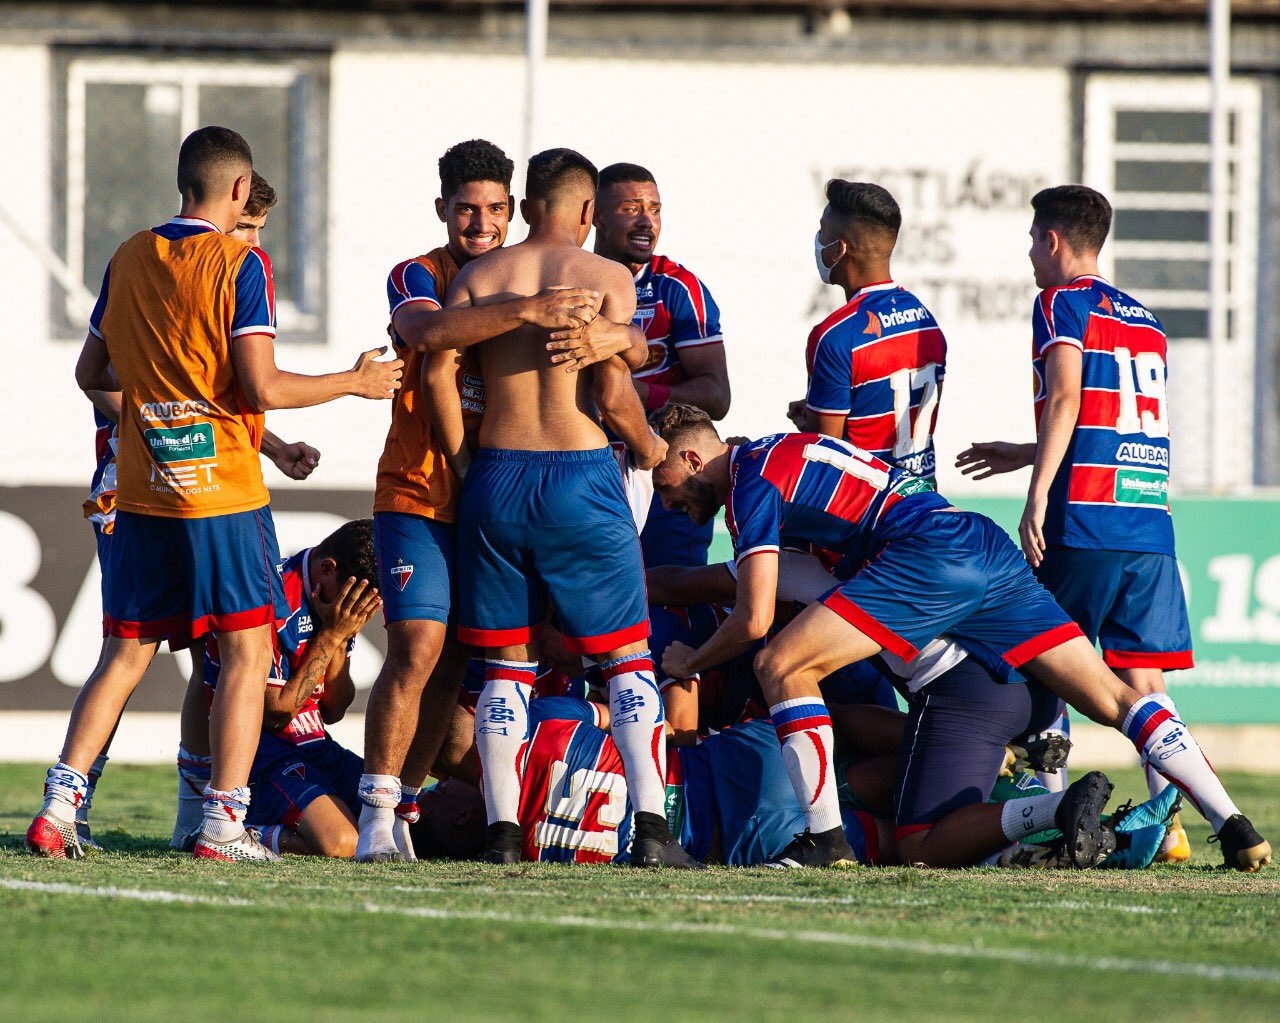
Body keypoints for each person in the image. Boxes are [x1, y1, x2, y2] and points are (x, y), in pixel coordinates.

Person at [647, 402, 1271, 872]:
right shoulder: (792, 467)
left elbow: (753, 619)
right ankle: (1235, 822)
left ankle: (825, 839)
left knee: (782, 666)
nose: (667, 501)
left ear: (694, 458)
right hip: (979, 540)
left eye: (664, 482)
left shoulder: (752, 482)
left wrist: (689, 660)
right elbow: (708, 581)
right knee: (1113, 696)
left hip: (928, 561)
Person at [27, 126, 401, 863]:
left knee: (124, 653)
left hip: (141, 492)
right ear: (238, 190)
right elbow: (260, 385)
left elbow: (90, 373)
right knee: (243, 651)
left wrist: (157, 422)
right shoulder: (241, 263)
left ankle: (58, 806)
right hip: (223, 495)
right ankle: (223, 826)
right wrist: (354, 383)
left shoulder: (130, 254)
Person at [354, 139, 634, 862]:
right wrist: (529, 310)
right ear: (441, 208)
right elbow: (426, 334)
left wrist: (624, 336)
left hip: (494, 498)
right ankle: (375, 813)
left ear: (514, 210)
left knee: (459, 664)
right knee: (417, 648)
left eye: (493, 209)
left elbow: (618, 361)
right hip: (421, 490)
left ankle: (406, 809)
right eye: (465, 209)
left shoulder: (510, 274)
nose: (479, 222)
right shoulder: (422, 274)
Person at [445, 147, 694, 867]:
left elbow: (438, 368)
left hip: (497, 472)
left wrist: (470, 464)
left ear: (525, 209)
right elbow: (615, 390)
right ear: (588, 213)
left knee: (505, 666)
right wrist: (647, 445)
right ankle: (651, 831)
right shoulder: (606, 277)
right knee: (626, 660)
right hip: (580, 476)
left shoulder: (480, 276)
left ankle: (501, 833)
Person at [956, 184, 1194, 861]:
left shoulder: (1060, 302)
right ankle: (1169, 820)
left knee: (1045, 658)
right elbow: (1109, 423)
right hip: (1147, 520)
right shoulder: (1144, 318)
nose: (1031, 255)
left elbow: (1065, 394)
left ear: (1054, 241)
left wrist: (1037, 495)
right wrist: (1026, 450)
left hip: (1085, 517)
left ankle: (1052, 810)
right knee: (1145, 681)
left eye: (1034, 241)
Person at [202, 520, 380, 858]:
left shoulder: (338, 600)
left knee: (401, 819)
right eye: (361, 600)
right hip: (263, 754)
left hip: (316, 746)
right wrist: (330, 637)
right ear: (328, 569)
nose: (363, 611)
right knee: (342, 843)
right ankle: (239, 830)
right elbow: (275, 715)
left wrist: (339, 639)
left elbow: (333, 709)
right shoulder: (271, 596)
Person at [593, 162, 730, 567]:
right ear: (596, 215)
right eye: (631, 208)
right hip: (588, 471)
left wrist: (641, 393)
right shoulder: (572, 281)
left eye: (654, 209)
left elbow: (717, 397)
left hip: (662, 474)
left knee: (666, 601)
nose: (646, 221)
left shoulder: (677, 287)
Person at [791, 181, 946, 482]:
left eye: (823, 231)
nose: (818, 240)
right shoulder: (925, 319)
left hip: (869, 514)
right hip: (923, 499)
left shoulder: (835, 335)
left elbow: (827, 457)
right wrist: (821, 409)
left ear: (840, 248)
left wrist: (812, 427)